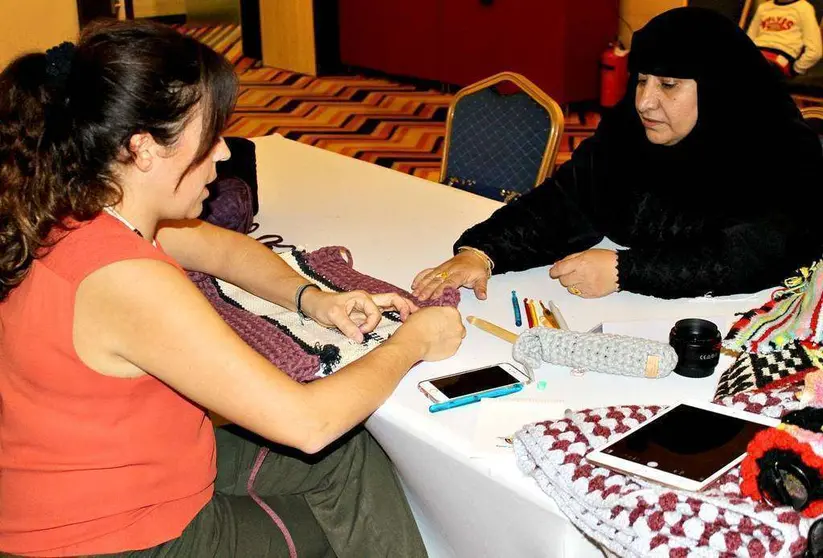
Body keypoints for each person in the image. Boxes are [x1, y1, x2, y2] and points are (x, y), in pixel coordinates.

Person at [0, 20, 465, 558]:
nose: (224, 153)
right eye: (210, 135)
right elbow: (307, 423)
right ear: (144, 148)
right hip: (111, 540)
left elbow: (220, 249)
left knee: (349, 455)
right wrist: (413, 343)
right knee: (344, 500)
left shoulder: (68, 210)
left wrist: (312, 298)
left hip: (76, 486)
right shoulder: (128, 279)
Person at [412, 7, 823, 302]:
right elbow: (563, 201)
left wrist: (626, 271)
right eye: (641, 80)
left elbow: (755, 254)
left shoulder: (781, 148)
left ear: (718, 88)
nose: (644, 102)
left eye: (668, 85)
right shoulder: (630, 133)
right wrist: (483, 251)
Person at [747, 0, 823, 77]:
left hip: (780, 58)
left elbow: (815, 50)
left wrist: (797, 69)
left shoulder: (803, 8)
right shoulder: (764, 7)